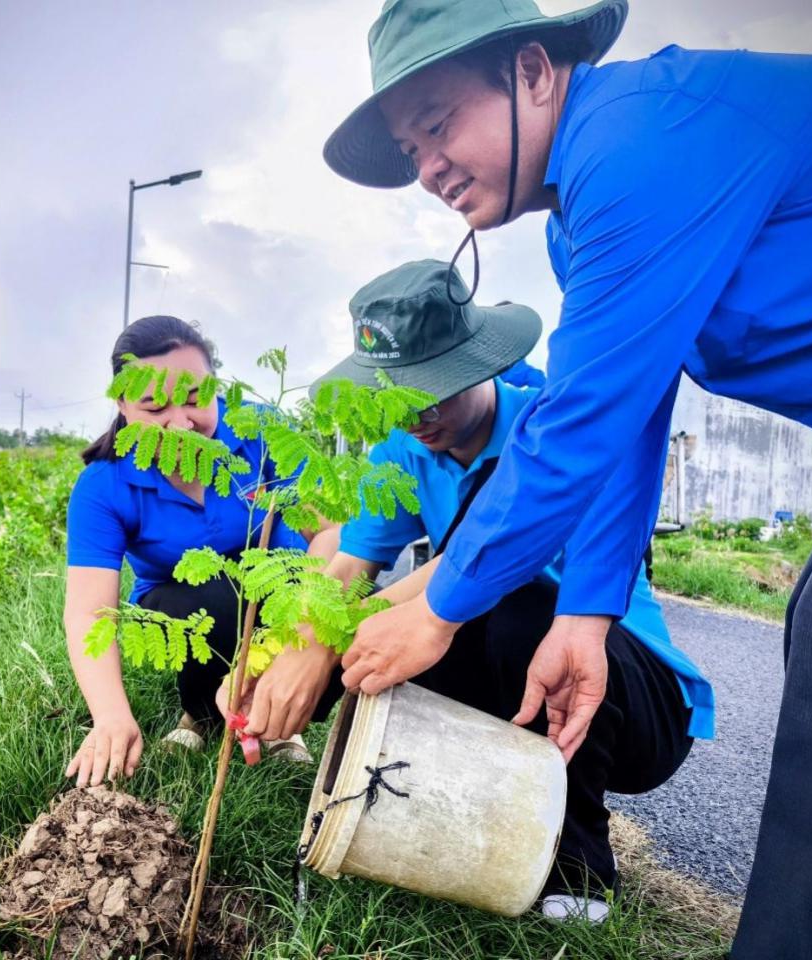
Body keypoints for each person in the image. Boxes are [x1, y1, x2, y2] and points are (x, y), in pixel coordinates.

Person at [321, 2, 812, 956]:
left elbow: (576, 427)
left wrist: (436, 604)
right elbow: (632, 411)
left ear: (533, 70)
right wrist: (587, 614)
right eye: (411, 151)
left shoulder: (640, 137)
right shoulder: (582, 219)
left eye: (440, 124)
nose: (429, 167)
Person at [222, 259, 714, 921]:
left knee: (503, 609)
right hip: (525, 680)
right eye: (399, 397)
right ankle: (463, 817)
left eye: (436, 388)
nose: (418, 415)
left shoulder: (549, 430)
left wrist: (327, 644)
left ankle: (579, 866)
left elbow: (478, 564)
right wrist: (277, 655)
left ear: (482, 363)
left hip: (627, 692)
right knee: (393, 642)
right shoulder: (400, 453)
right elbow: (347, 569)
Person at [63, 315, 329, 789]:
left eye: (194, 398)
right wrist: (110, 716)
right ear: (122, 405)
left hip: (282, 585)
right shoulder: (104, 485)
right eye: (154, 407)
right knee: (213, 601)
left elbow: (331, 535)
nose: (182, 424)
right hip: (185, 599)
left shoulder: (260, 432)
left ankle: (283, 723)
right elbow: (89, 611)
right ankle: (201, 715)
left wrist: (309, 624)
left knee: (318, 600)